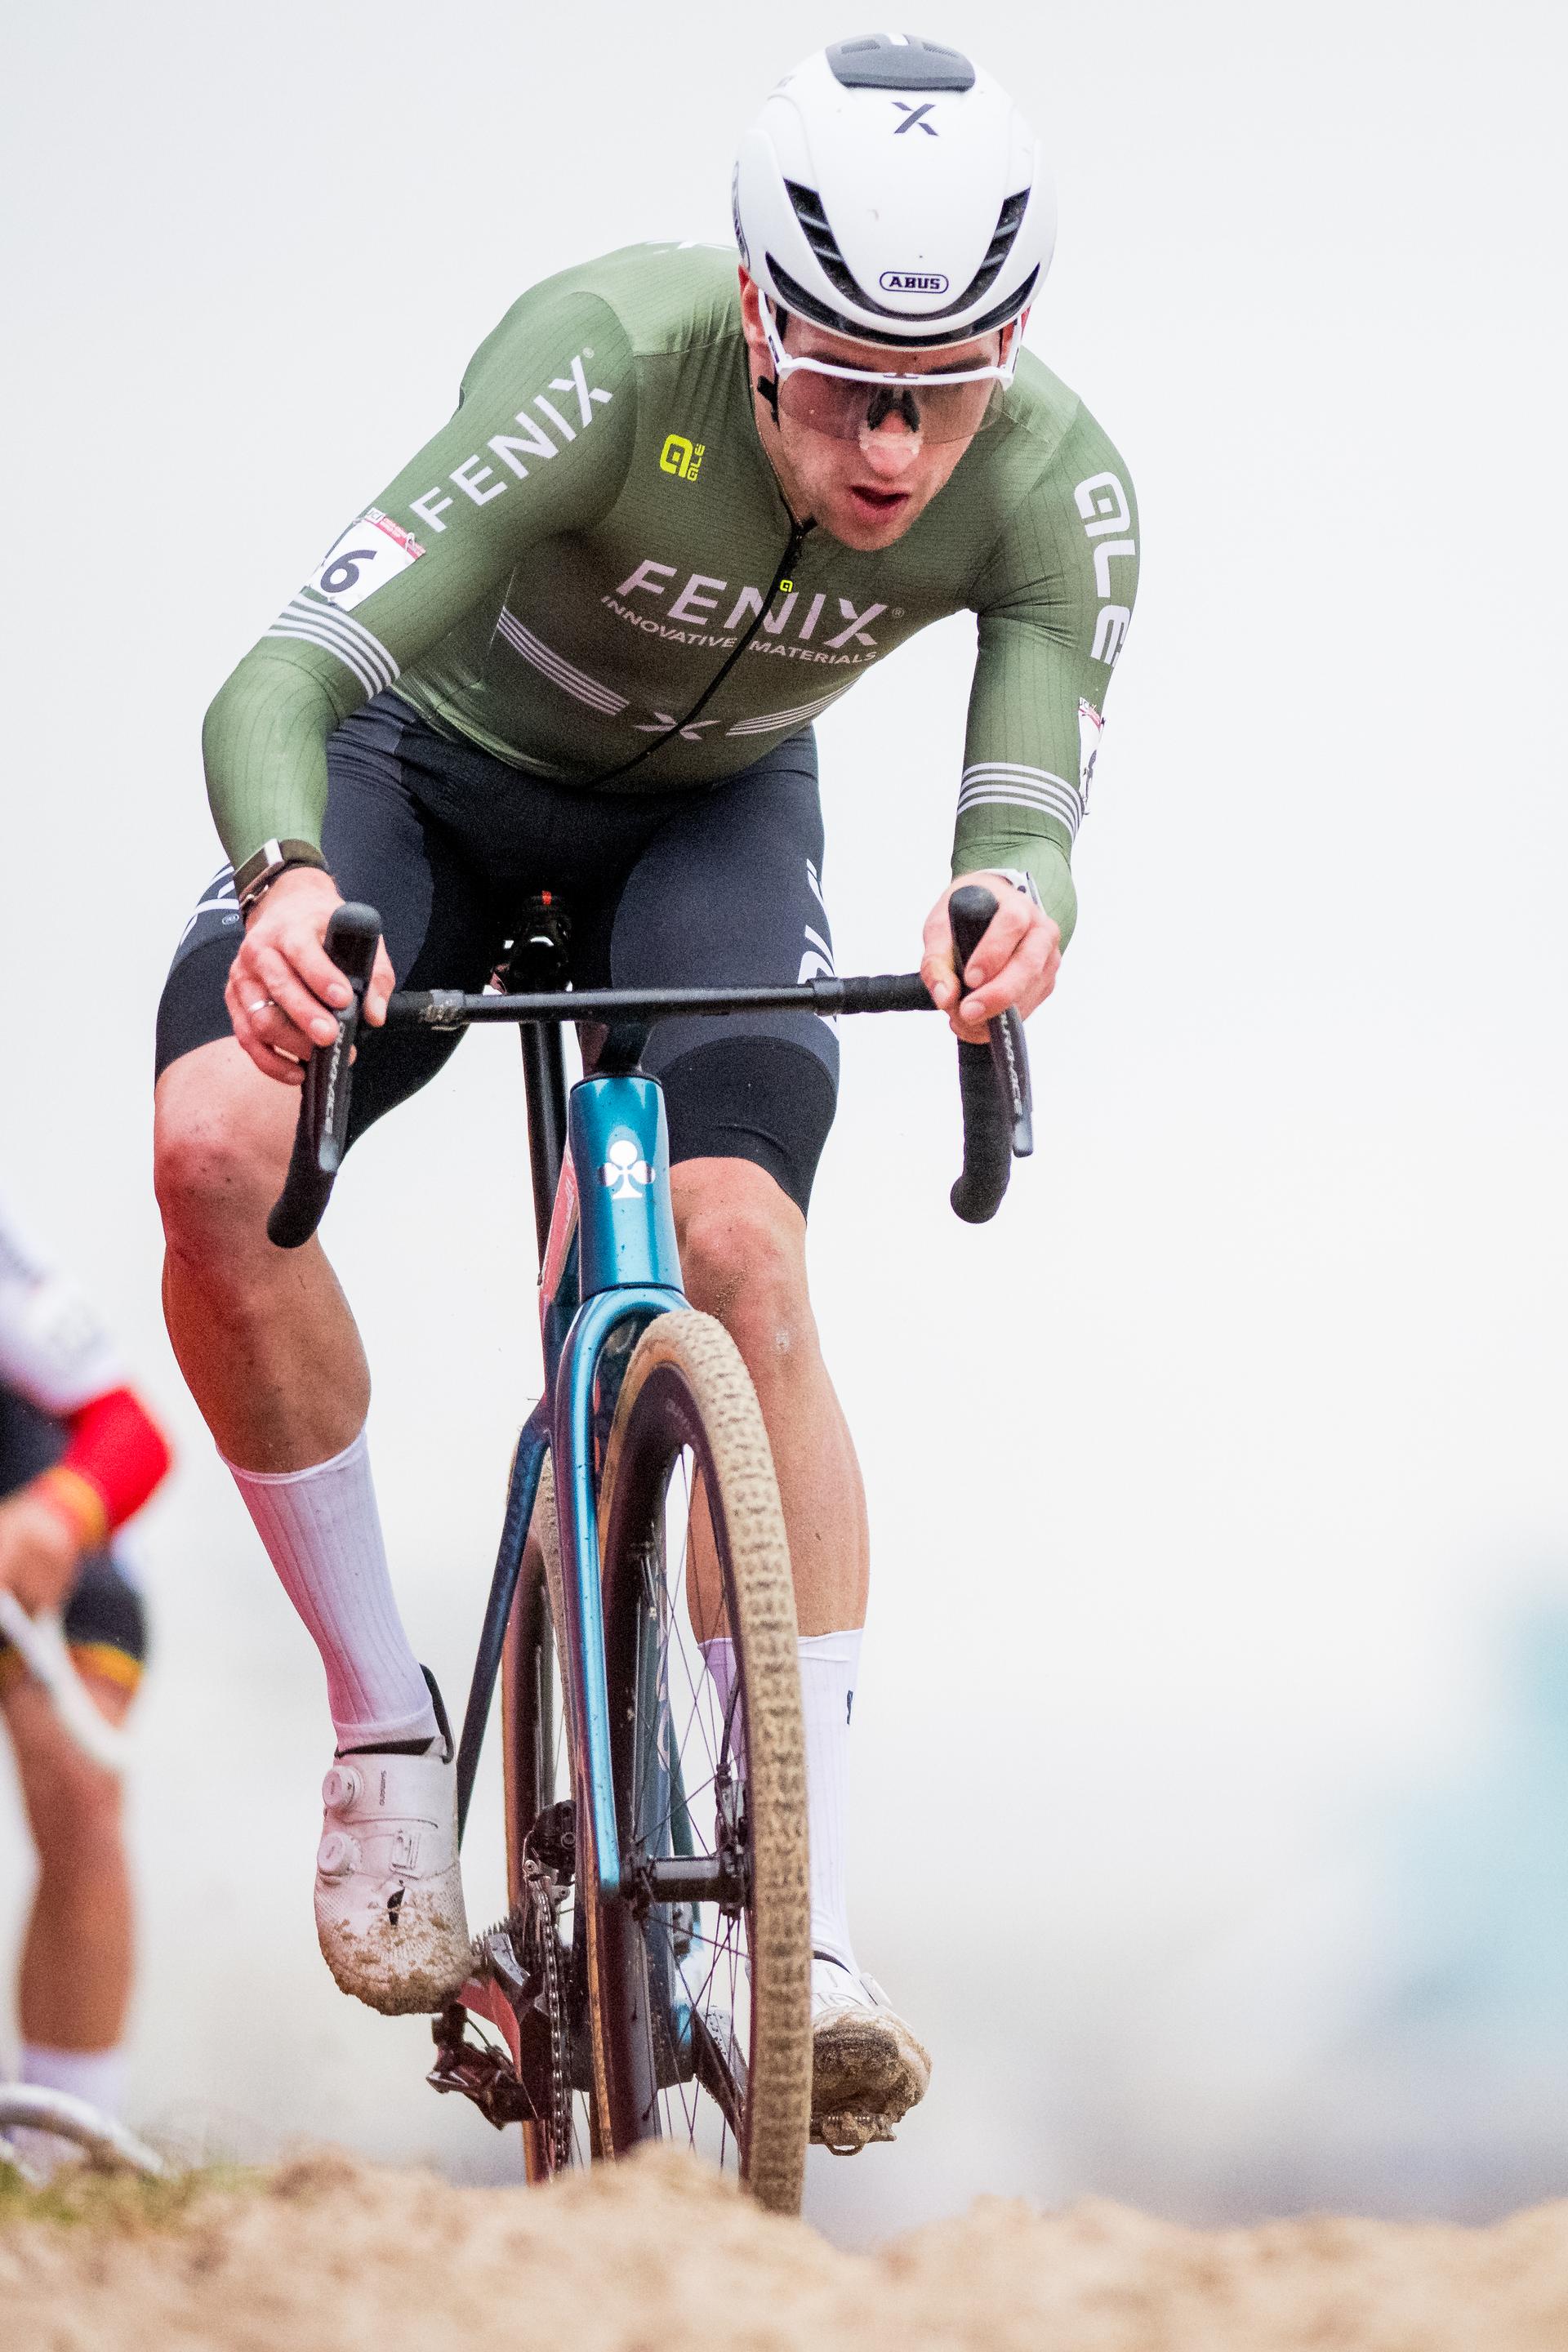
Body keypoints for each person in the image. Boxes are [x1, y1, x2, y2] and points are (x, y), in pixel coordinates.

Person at [152, 33, 1138, 2140]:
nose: (894, 444)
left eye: (944, 383)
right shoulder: (606, 360)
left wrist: (1013, 896)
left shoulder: (1054, 477)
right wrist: (287, 878)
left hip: (704, 820)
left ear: (1014, 348)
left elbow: (1024, 797)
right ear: (760, 317)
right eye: (849, 377)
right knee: (219, 1152)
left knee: (741, 1258)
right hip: (417, 776)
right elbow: (285, 676)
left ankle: (813, 1918)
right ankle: (380, 1725)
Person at [0, 1192, 172, 2167]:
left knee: (78, 1788)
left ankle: (60, 2155)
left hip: (21, 1512)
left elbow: (133, 1433)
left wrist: (56, 1517)